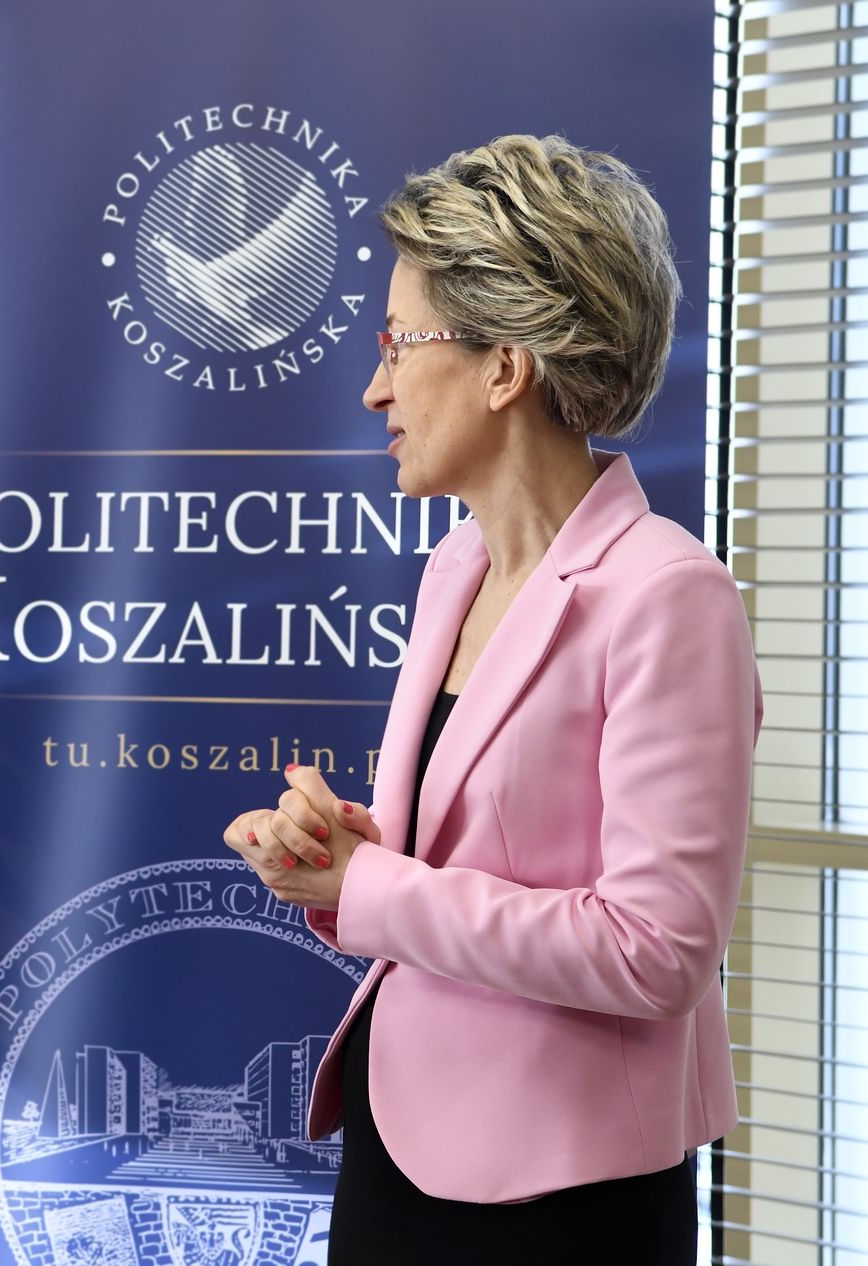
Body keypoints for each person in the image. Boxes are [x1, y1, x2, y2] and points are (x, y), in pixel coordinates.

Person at [221, 135, 761, 1264]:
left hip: (562, 1193)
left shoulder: (671, 596)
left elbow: (658, 951)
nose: (375, 386)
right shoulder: (456, 567)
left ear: (504, 368)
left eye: (396, 342)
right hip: (399, 1144)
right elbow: (463, 858)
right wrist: (342, 854)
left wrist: (376, 886)